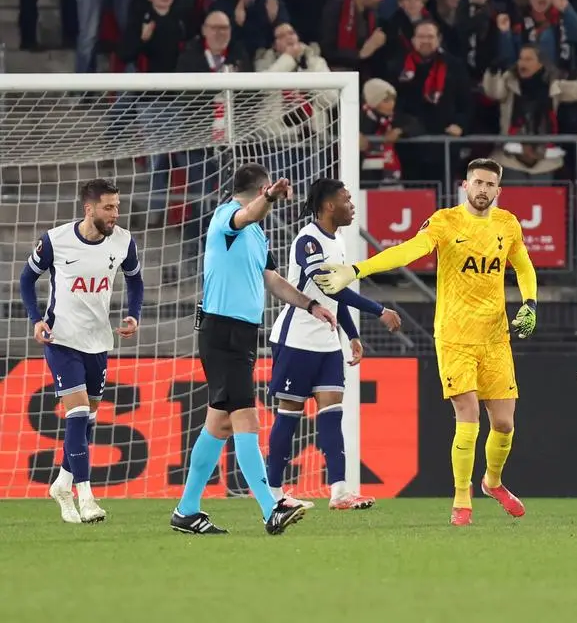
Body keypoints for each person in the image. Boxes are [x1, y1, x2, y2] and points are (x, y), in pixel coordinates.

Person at [314, 159, 538, 527]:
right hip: (454, 336)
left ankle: (492, 482)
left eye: (490, 184)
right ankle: (461, 500)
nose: (483, 189)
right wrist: (356, 270)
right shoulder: (445, 221)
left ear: (499, 190)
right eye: (477, 182)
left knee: (504, 424)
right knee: (467, 418)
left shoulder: (508, 224)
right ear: (465, 185)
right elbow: (408, 250)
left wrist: (530, 303)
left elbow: (524, 266)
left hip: (496, 337)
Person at [170, 164, 336, 536]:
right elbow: (248, 213)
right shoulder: (228, 217)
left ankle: (186, 510)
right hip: (222, 332)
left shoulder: (257, 235)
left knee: (219, 424)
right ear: (262, 188)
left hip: (239, 335)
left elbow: (273, 280)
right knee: (246, 418)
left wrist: (310, 305)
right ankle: (270, 507)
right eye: (267, 193)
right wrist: (271, 198)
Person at [266, 179, 402, 511]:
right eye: (346, 199)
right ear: (329, 206)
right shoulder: (308, 240)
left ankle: (339, 492)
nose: (352, 205)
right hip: (296, 339)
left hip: (327, 344)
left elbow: (336, 299)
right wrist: (378, 310)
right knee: (289, 416)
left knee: (331, 414)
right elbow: (331, 287)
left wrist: (352, 335)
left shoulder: (337, 240)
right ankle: (272, 495)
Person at [18, 180, 143, 524]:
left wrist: (134, 314)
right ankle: (86, 497)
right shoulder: (55, 240)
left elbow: (136, 280)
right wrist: (35, 319)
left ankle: (62, 483)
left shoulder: (123, 242)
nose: (115, 214)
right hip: (61, 339)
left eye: (117, 206)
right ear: (89, 209)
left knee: (87, 420)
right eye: (108, 207)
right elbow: (26, 279)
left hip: (98, 341)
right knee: (77, 413)